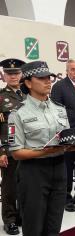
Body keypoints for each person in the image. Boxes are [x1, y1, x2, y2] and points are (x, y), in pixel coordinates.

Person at [8, 61, 75, 236]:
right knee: (33, 227)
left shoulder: (59, 109)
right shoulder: (18, 113)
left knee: (54, 226)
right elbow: (16, 153)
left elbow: (66, 139)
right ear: (28, 82)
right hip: (33, 172)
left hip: (60, 168)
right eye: (42, 78)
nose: (48, 81)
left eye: (49, 77)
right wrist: (44, 151)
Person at [51, 59, 75, 212]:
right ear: (67, 70)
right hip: (68, 135)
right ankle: (66, 198)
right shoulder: (59, 87)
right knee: (67, 168)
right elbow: (56, 112)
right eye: (72, 69)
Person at [0, 58, 26, 235]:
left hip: (27, 149)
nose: (13, 76)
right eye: (9, 74)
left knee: (25, 184)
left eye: (16, 73)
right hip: (8, 149)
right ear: (4, 75)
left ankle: (20, 215)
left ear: (22, 74)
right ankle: (9, 220)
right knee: (9, 187)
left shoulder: (28, 95)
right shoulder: (1, 97)